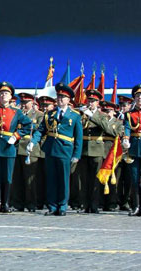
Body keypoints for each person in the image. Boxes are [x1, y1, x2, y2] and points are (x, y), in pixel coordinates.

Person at [29, 83, 83, 216]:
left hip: (65, 150)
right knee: (51, 179)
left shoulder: (75, 116)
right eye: (58, 97)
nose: (59, 99)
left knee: (64, 179)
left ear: (68, 100)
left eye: (63, 97)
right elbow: (41, 130)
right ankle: (52, 205)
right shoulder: (49, 114)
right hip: (50, 149)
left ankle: (63, 205)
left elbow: (79, 137)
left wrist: (76, 154)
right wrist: (33, 142)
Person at [0, 82, 32, 213]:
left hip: (9, 147)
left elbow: (28, 125)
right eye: (1, 93)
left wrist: (16, 135)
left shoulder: (16, 112)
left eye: (6, 93)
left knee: (8, 177)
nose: (3, 95)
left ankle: (6, 203)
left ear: (11, 96)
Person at [78, 89, 113, 213]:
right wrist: (84, 114)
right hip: (84, 148)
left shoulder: (102, 115)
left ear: (98, 102)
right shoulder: (82, 114)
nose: (90, 103)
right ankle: (85, 204)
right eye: (89, 100)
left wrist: (91, 115)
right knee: (84, 179)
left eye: (93, 101)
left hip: (97, 148)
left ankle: (94, 204)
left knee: (96, 180)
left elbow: (106, 128)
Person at [12, 92, 43, 212]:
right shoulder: (17, 114)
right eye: (22, 102)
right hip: (17, 148)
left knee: (30, 179)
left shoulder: (38, 115)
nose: (23, 105)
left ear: (33, 103)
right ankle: (18, 203)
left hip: (30, 148)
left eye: (26, 102)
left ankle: (31, 203)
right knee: (17, 178)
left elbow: (38, 128)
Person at [121, 84, 141, 216]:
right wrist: (126, 139)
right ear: (134, 98)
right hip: (134, 149)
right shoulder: (129, 114)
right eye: (138, 96)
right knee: (134, 179)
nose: (140, 98)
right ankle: (137, 206)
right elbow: (127, 127)